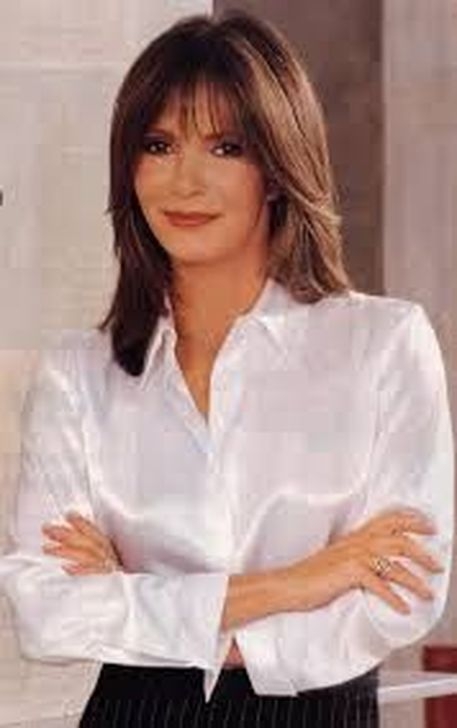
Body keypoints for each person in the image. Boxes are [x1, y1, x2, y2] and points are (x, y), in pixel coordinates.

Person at [0, 9, 454, 728]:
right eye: (158, 145)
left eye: (225, 147)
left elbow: (402, 596)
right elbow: (47, 612)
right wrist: (302, 580)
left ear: (276, 168)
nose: (185, 181)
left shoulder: (383, 345)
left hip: (315, 714)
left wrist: (138, 598)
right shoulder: (78, 373)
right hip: (135, 714)